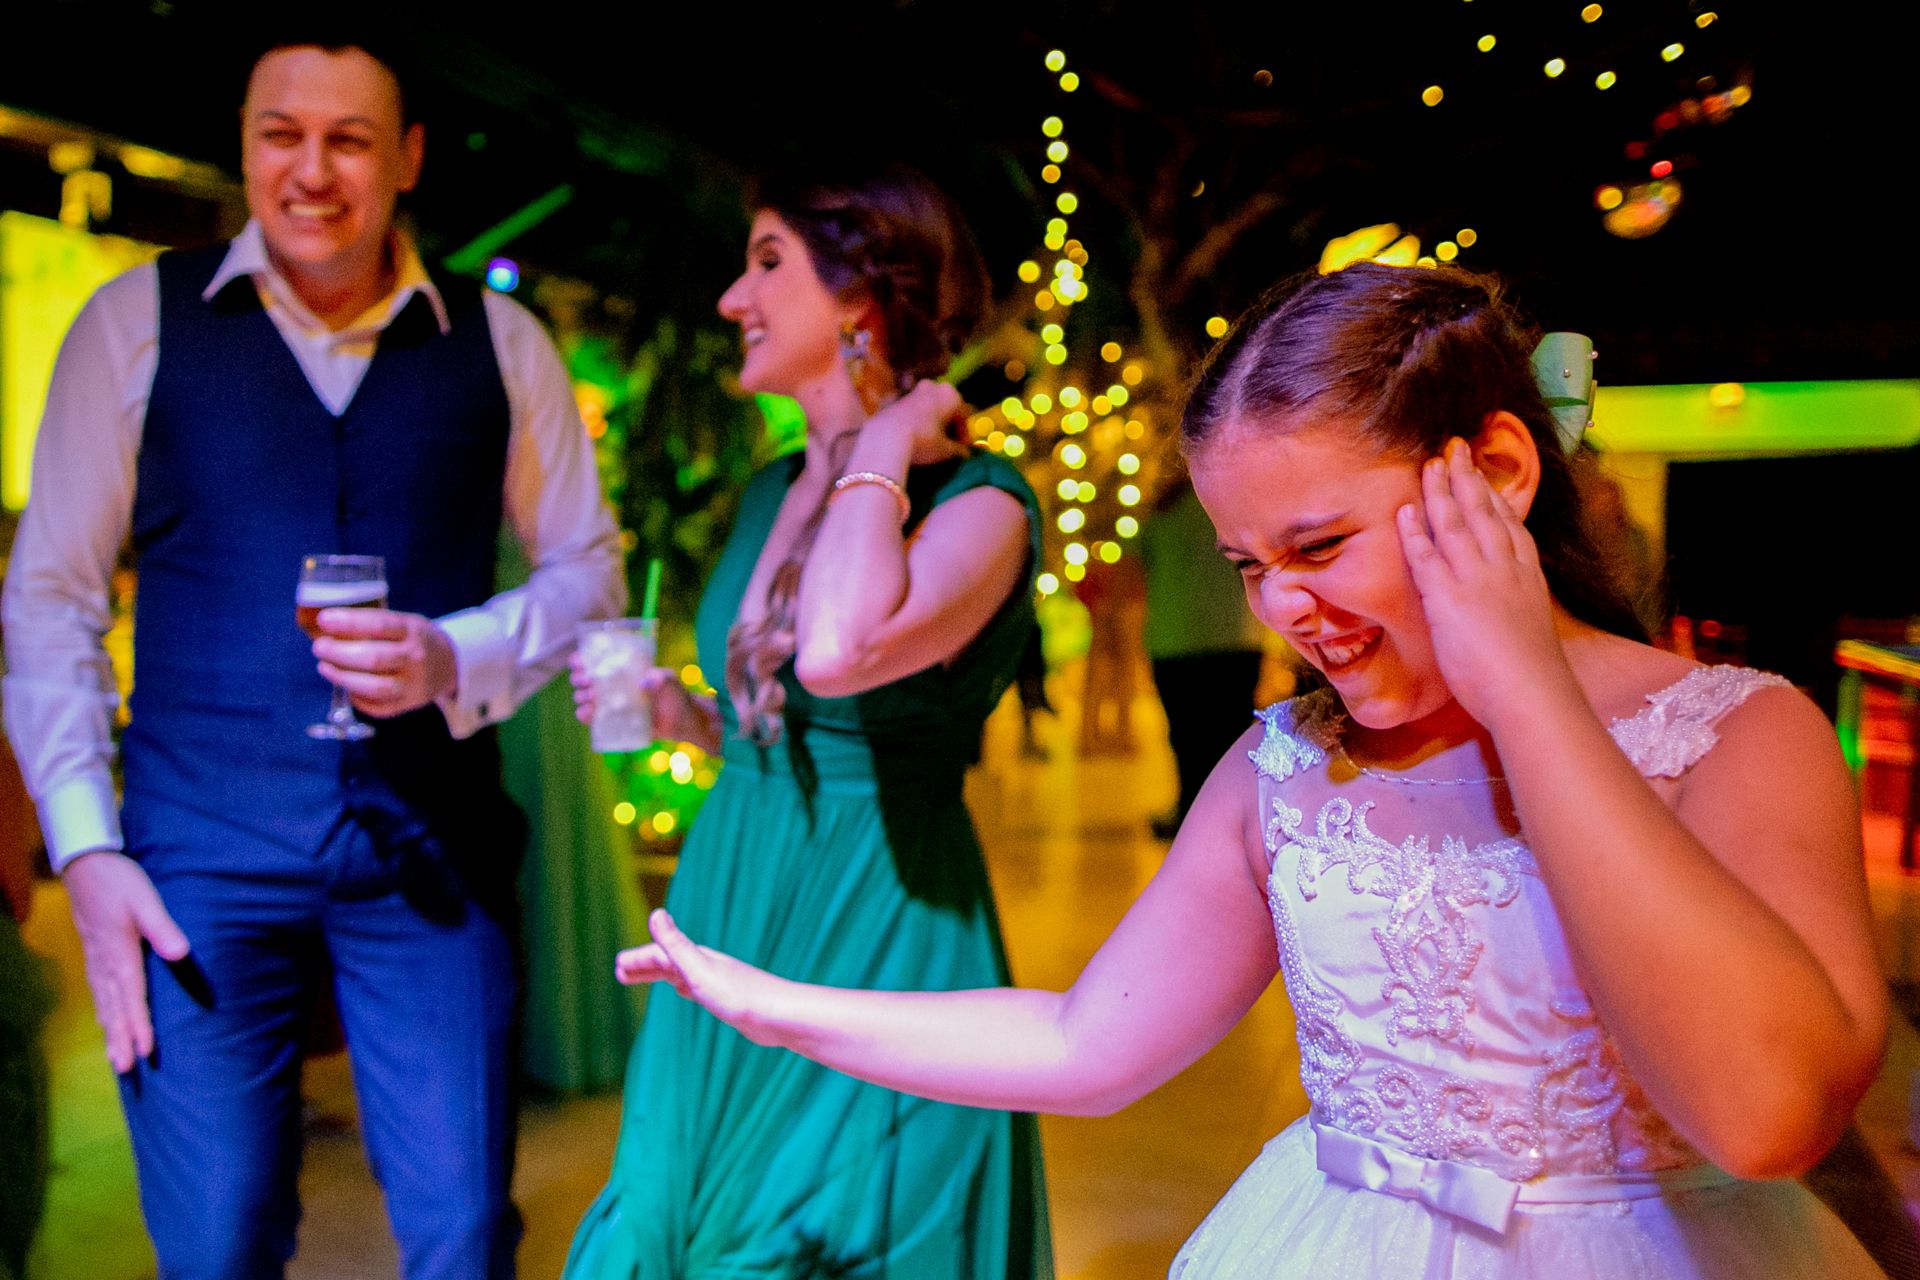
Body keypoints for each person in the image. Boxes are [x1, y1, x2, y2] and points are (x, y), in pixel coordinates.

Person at [604, 263, 1891, 1278]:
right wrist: (778, 1006)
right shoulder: (1287, 764)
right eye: (1247, 564)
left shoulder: (1737, 733)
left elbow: (1769, 1113)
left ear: (1496, 472)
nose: (1286, 607)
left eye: (1320, 543)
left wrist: (1528, 698)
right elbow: (1083, 1040)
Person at [0, 31, 623, 1280]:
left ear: (407, 159)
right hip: (197, 863)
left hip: (430, 859)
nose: (311, 170)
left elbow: (588, 573)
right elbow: (52, 597)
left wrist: (457, 655)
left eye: (348, 138)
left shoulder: (501, 345)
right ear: (245, 145)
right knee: (220, 1235)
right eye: (282, 133)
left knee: (460, 1230)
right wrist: (87, 848)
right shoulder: (133, 326)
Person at [563, 167, 1053, 1279]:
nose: (735, 297)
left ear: (861, 299)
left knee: (802, 1237)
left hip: (876, 918)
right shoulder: (764, 488)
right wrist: (684, 711)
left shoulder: (980, 503)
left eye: (768, 263)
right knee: (662, 1220)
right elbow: (772, 715)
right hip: (728, 896)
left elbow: (839, 649)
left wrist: (884, 442)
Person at [1138, 477, 1269, 838]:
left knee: (1184, 735)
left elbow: (1141, 564)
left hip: (1175, 638)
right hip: (1234, 635)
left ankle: (1191, 814)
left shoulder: (1163, 510)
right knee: (1230, 736)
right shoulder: (1235, 502)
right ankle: (1235, 819)